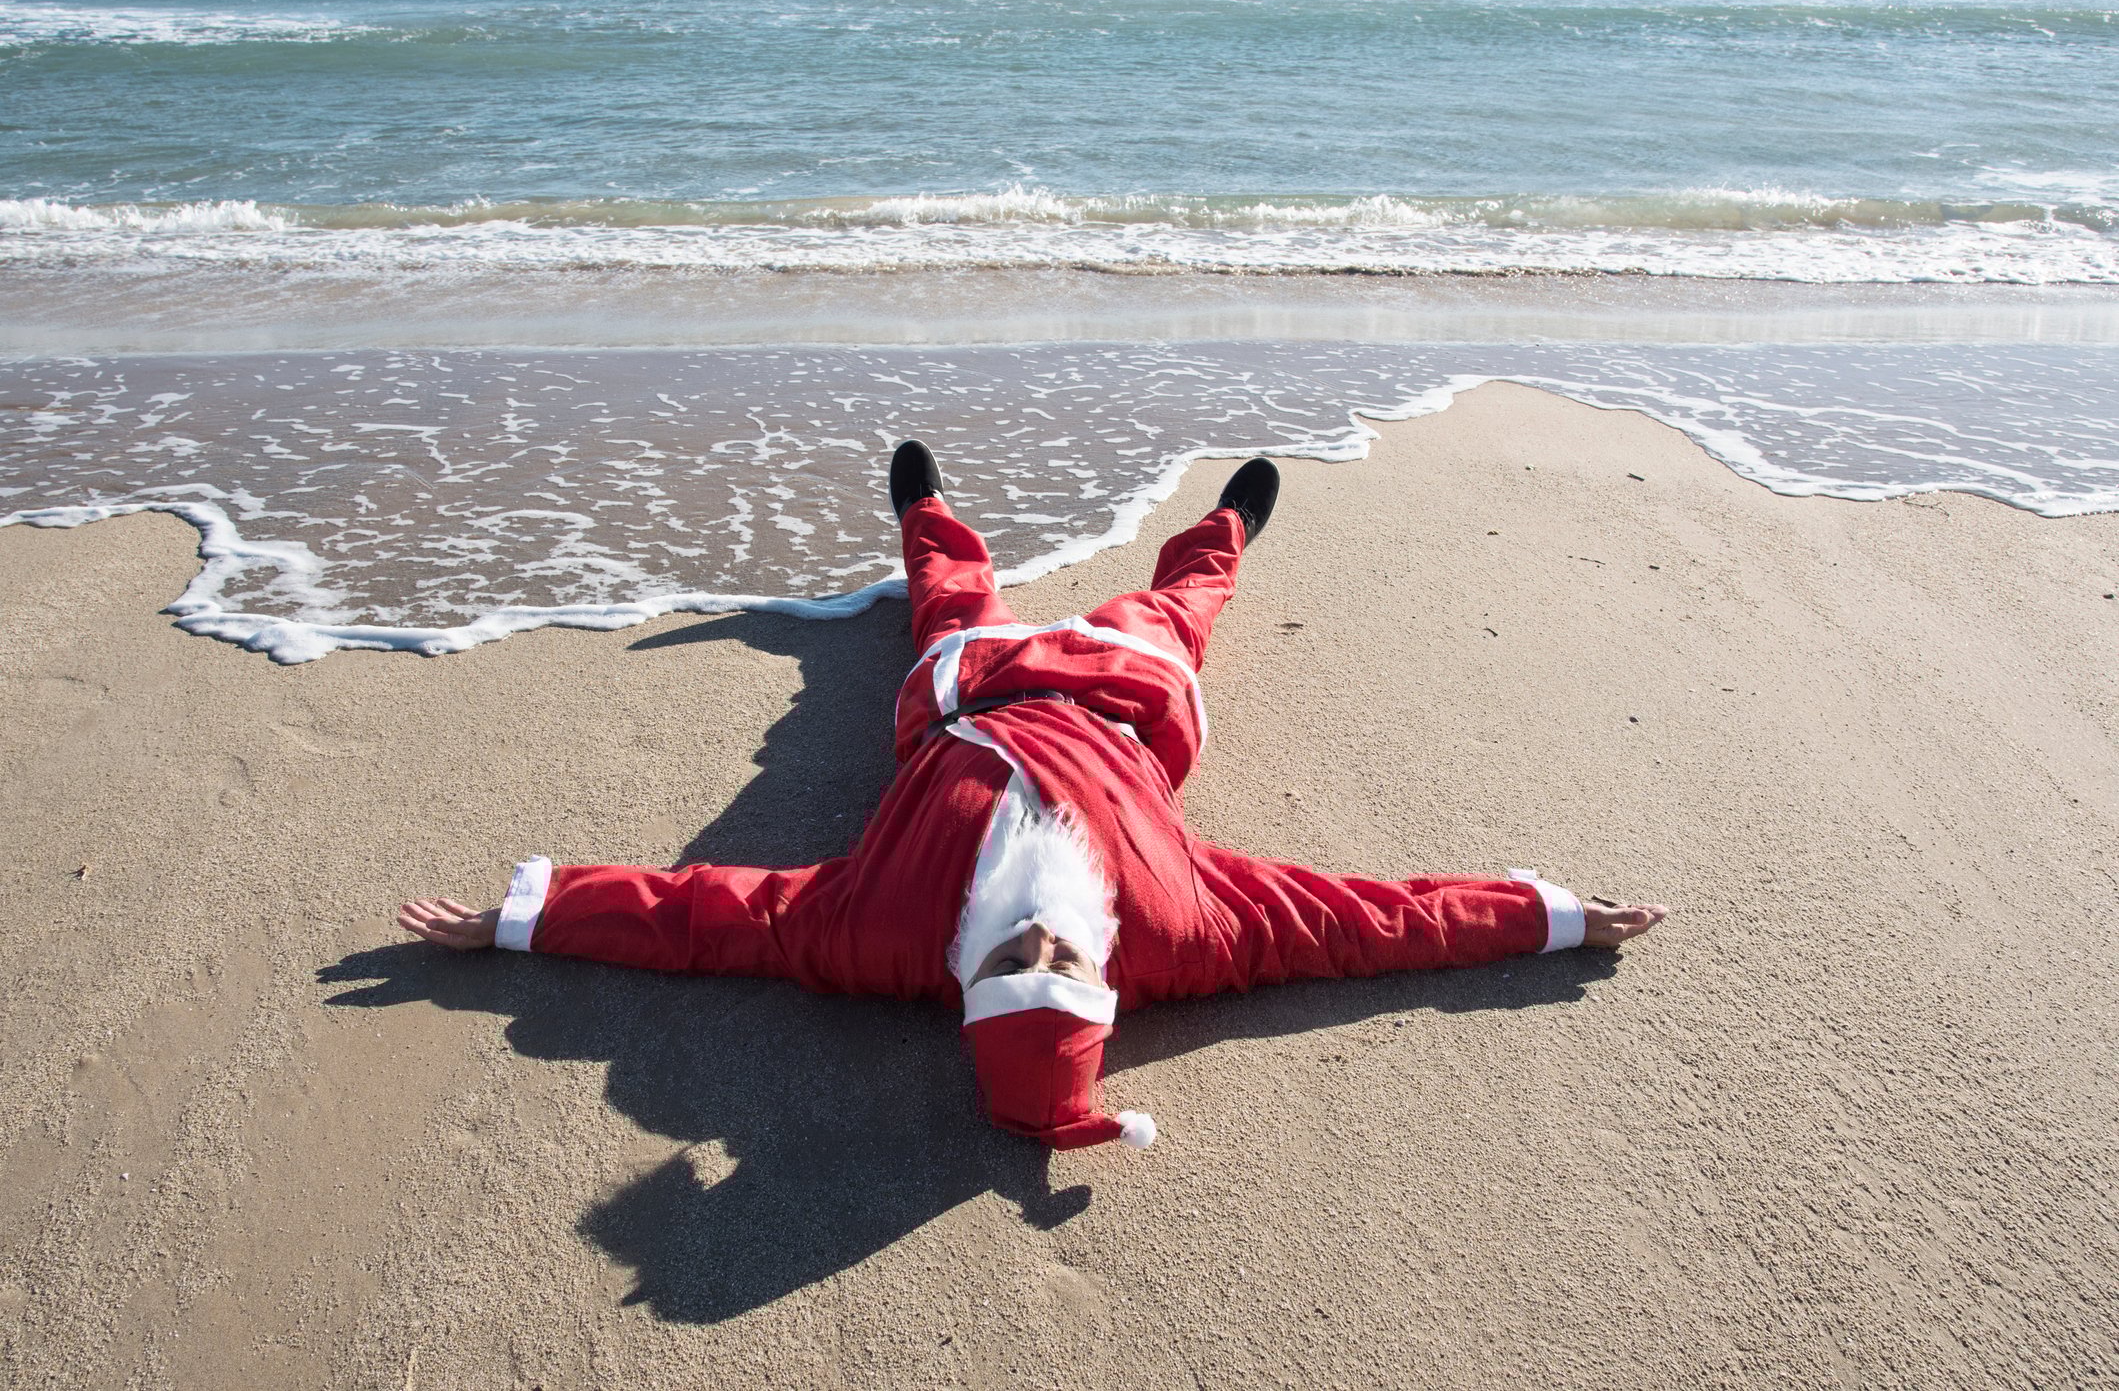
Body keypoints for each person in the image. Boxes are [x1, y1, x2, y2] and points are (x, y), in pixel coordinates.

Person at [398, 443, 1665, 1151]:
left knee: (943, 594)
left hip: (967, 696)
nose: (1044, 931)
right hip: (1124, 698)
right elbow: (1368, 924)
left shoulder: (875, 939)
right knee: (1177, 608)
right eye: (1067, 958)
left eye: (1016, 955)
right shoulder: (1189, 936)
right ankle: (1224, 522)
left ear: (966, 978)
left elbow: (706, 916)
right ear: (1109, 984)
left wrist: (526, 914)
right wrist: (1546, 913)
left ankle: (925, 506)